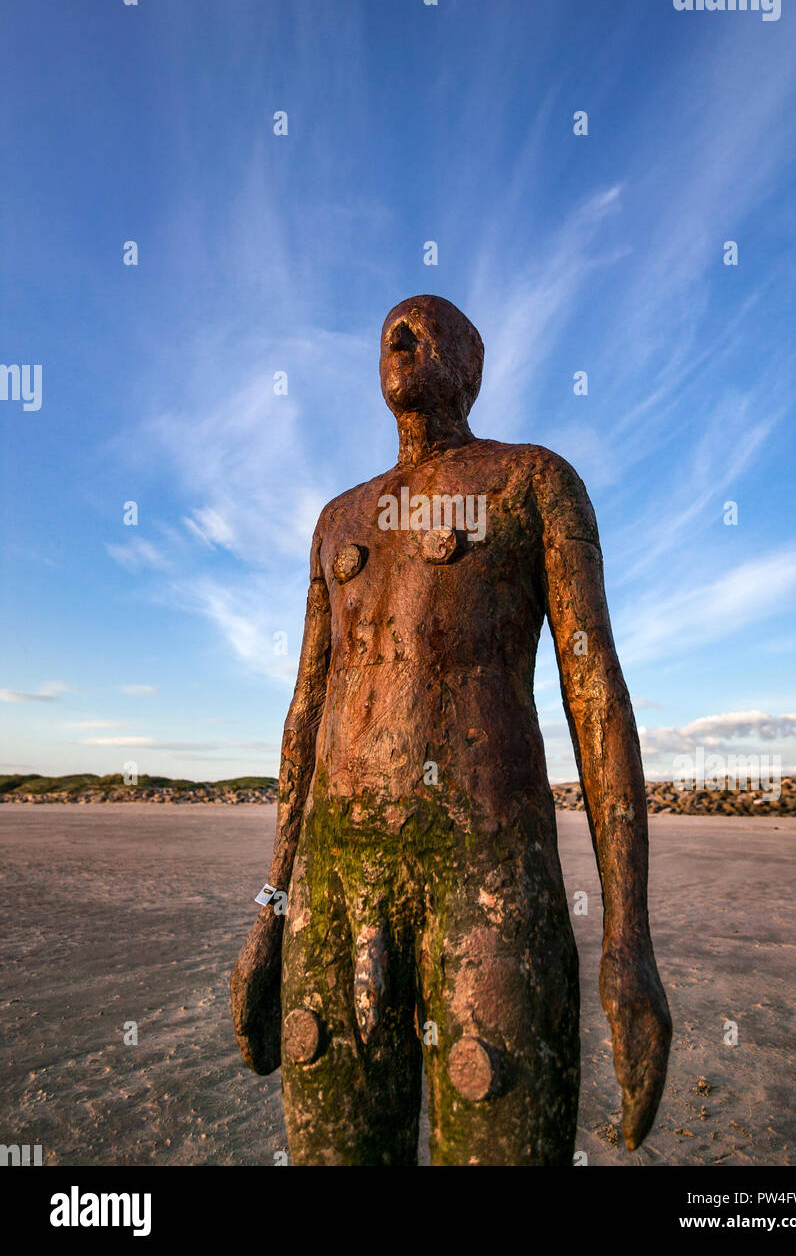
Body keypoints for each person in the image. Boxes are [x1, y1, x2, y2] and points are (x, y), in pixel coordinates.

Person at [231, 294, 671, 1165]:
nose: (400, 334)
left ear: (471, 366)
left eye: (428, 327)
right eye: (391, 327)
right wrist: (268, 916)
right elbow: (305, 717)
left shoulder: (531, 480)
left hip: (489, 866)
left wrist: (629, 942)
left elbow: (596, 693)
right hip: (338, 878)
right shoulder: (338, 521)